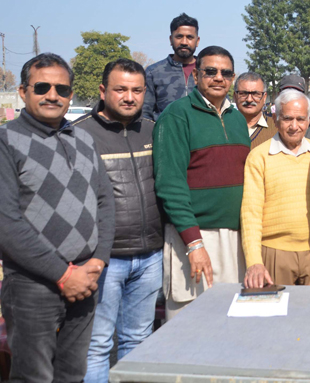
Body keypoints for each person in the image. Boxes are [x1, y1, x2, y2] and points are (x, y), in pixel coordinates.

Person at [0, 53, 115, 381]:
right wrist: (63, 275)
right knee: (34, 376)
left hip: (86, 279)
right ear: (23, 91)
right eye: (42, 87)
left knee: (72, 373)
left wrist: (99, 262)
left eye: (62, 89)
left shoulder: (83, 139)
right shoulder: (6, 141)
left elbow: (105, 202)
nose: (53, 95)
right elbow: (6, 223)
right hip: (33, 284)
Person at [72, 59, 164, 383]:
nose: (129, 97)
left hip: (151, 256)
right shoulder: (79, 135)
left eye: (137, 90)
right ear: (103, 90)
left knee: (138, 341)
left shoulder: (153, 131)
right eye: (121, 89)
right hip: (103, 260)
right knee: (97, 345)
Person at [153, 46, 249, 319]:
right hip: (194, 238)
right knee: (188, 326)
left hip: (234, 240)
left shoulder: (237, 119)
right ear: (196, 76)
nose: (218, 77)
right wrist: (194, 244)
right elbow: (170, 185)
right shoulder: (176, 116)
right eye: (210, 71)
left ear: (232, 78)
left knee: (230, 324)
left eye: (226, 72)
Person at [242, 89, 310, 288]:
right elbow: (250, 213)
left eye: (300, 119)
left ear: (309, 119)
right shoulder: (259, 156)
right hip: (274, 254)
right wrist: (254, 261)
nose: (294, 126)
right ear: (276, 118)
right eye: (287, 119)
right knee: (276, 317)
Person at [143, 13, 199, 121]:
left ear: (197, 41)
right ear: (170, 39)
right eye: (179, 36)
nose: (184, 42)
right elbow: (145, 114)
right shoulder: (153, 72)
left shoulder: (208, 72)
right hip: (165, 136)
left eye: (189, 37)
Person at [234, 71, 276, 149]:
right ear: (235, 96)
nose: (249, 99)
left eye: (256, 94)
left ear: (264, 97)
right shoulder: (223, 127)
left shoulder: (277, 129)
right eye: (243, 94)